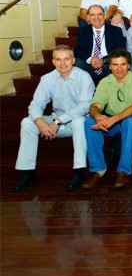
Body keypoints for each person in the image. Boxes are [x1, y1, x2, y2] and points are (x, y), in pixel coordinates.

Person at [12, 45, 95, 193]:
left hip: (77, 121)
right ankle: (27, 172)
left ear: (73, 60)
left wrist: (58, 121)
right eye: (58, 59)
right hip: (56, 121)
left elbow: (84, 106)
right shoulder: (47, 79)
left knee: (79, 121)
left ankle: (79, 171)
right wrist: (39, 121)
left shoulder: (84, 77)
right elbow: (36, 105)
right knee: (27, 122)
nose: (62, 63)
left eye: (66, 59)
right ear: (53, 62)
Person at [82, 48, 132, 189]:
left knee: (129, 121)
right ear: (109, 67)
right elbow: (95, 105)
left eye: (123, 64)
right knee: (89, 121)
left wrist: (112, 119)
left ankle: (123, 171)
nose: (119, 69)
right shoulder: (105, 82)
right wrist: (98, 116)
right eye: (115, 65)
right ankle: (98, 170)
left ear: (129, 65)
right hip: (113, 122)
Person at [74, 4, 126, 81]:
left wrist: (103, 61)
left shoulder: (115, 30)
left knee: (120, 61)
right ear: (88, 17)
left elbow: (120, 51)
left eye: (99, 14)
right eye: (92, 15)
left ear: (105, 16)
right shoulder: (83, 31)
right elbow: (78, 50)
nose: (96, 17)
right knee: (77, 62)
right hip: (89, 65)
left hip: (108, 66)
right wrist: (90, 59)